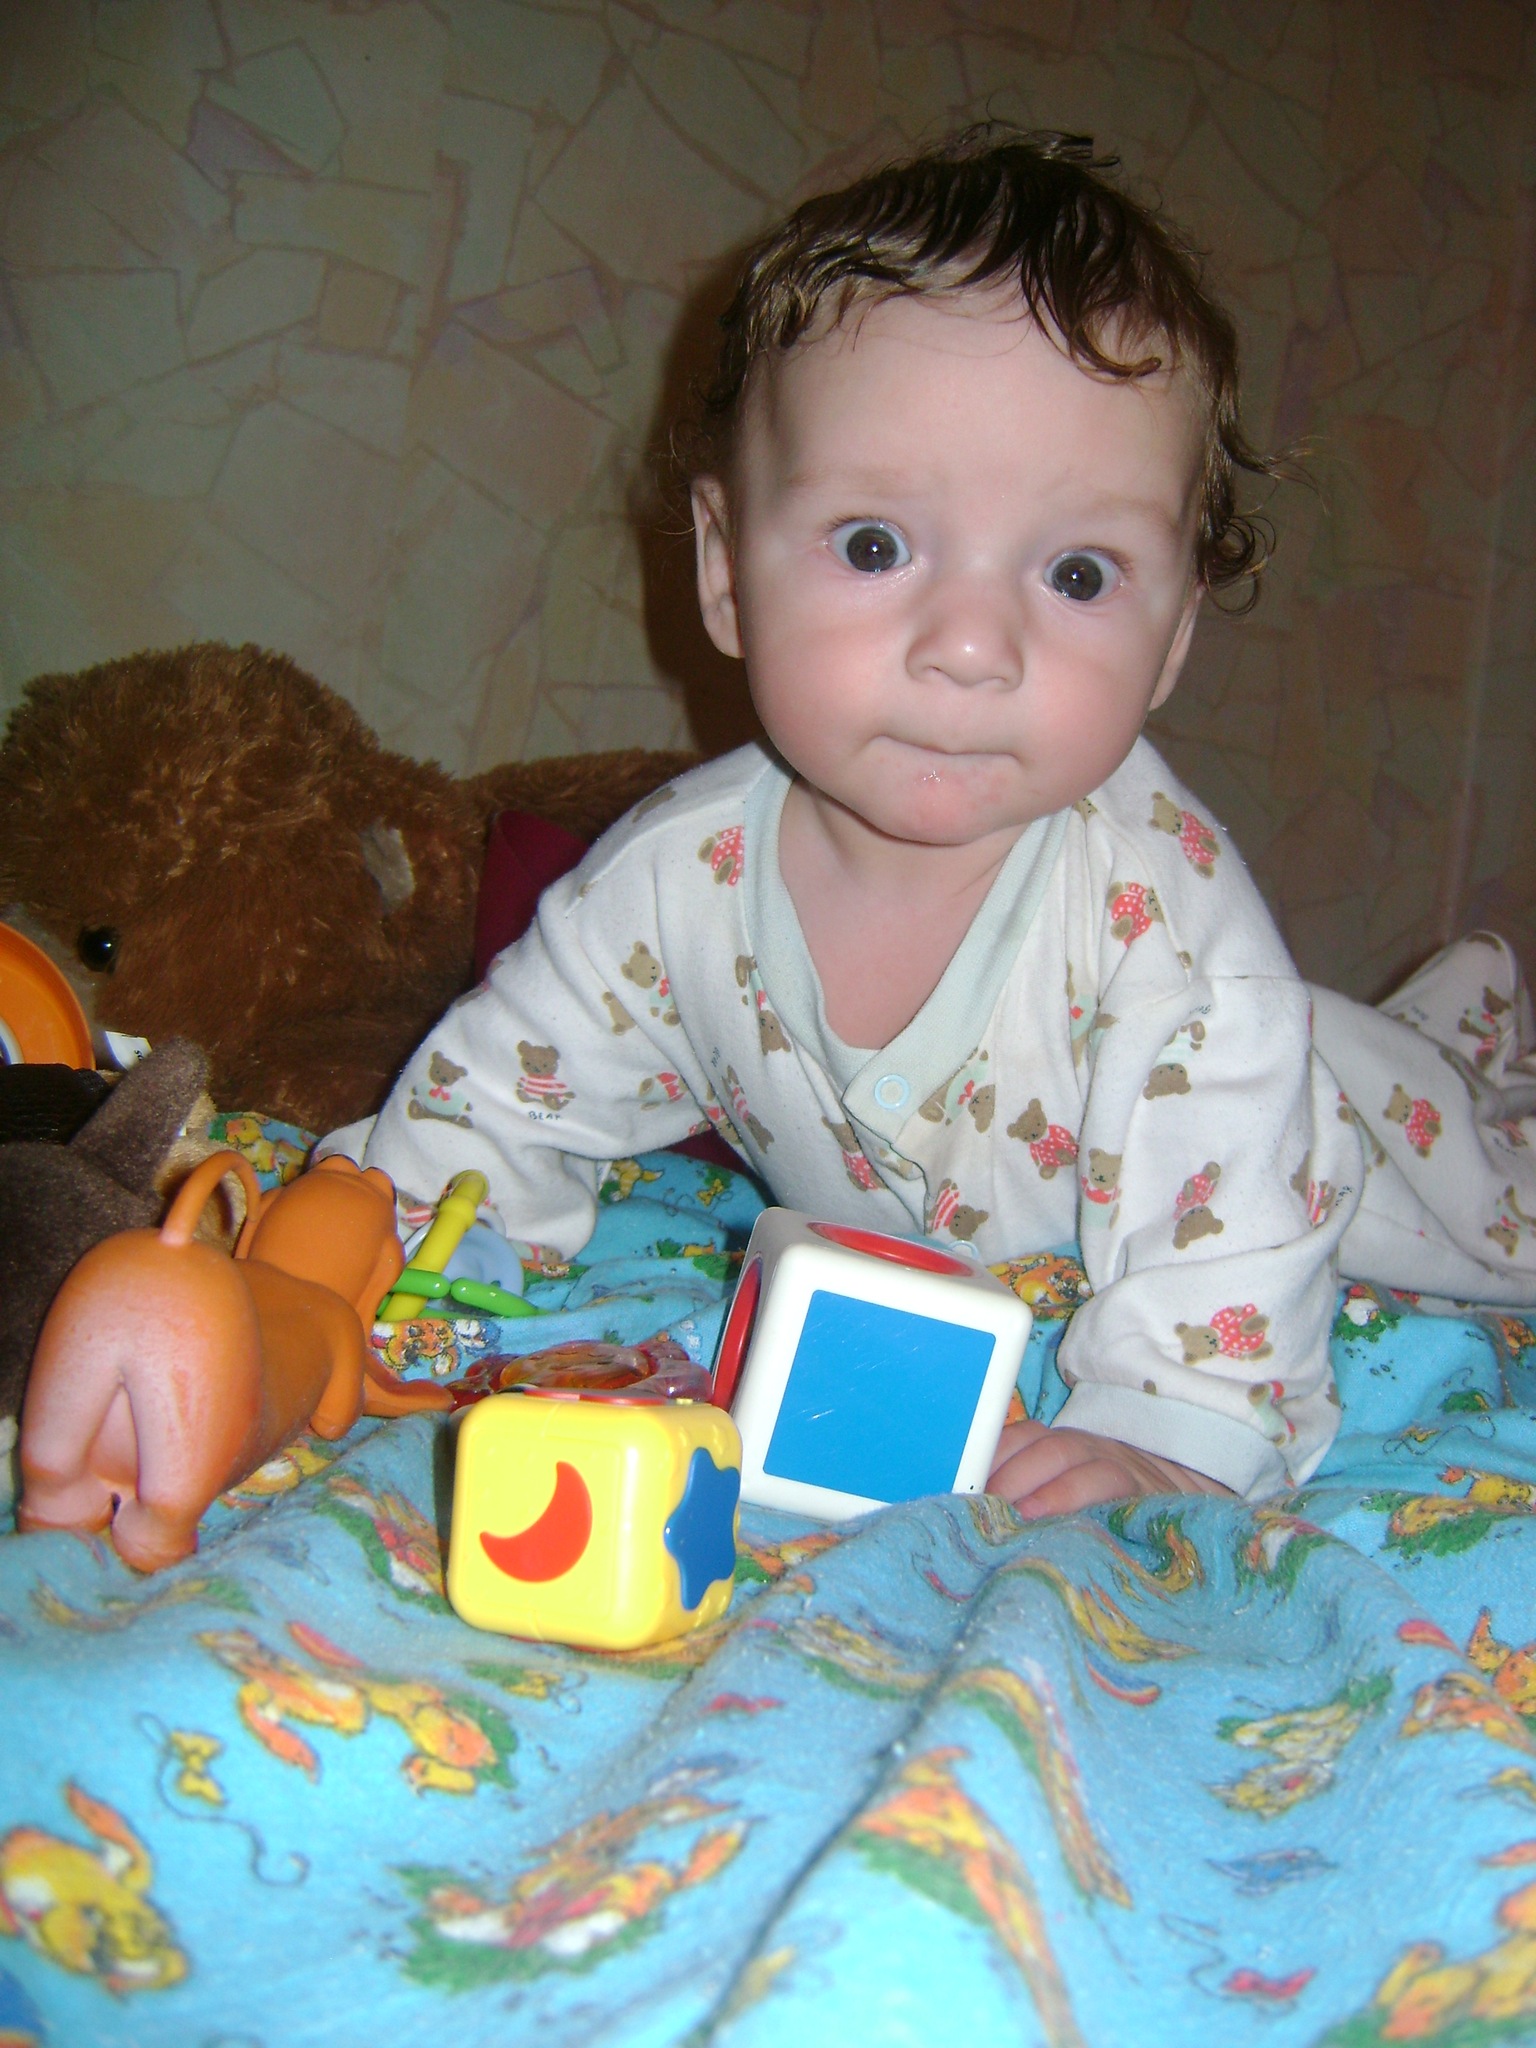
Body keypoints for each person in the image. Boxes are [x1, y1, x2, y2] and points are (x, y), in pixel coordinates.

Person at [356, 129, 1531, 1514]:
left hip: (1303, 1135)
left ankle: (1466, 1072)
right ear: (725, 573)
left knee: (1495, 1206)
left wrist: (1172, 1430)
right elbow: (484, 1110)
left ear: (1169, 643)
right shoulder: (676, 882)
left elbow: (1232, 1267)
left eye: (1078, 573)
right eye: (875, 546)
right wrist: (371, 1242)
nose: (972, 645)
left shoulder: (1170, 935)